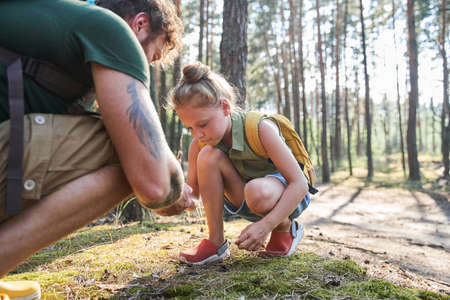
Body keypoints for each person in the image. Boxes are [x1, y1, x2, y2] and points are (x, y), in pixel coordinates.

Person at [0, 0, 194, 298]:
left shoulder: (54, 23)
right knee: (127, 154)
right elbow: (156, 185)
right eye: (150, 56)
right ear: (139, 25)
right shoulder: (112, 30)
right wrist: (174, 188)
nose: (144, 68)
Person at [169, 62, 310, 265]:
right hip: (246, 197)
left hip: (288, 196)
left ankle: (284, 229)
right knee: (209, 155)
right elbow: (192, 198)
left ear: (225, 107)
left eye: (203, 124)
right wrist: (175, 197)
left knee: (256, 191)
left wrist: (266, 226)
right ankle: (215, 243)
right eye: (189, 127)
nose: (197, 134)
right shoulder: (200, 144)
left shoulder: (261, 128)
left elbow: (300, 184)